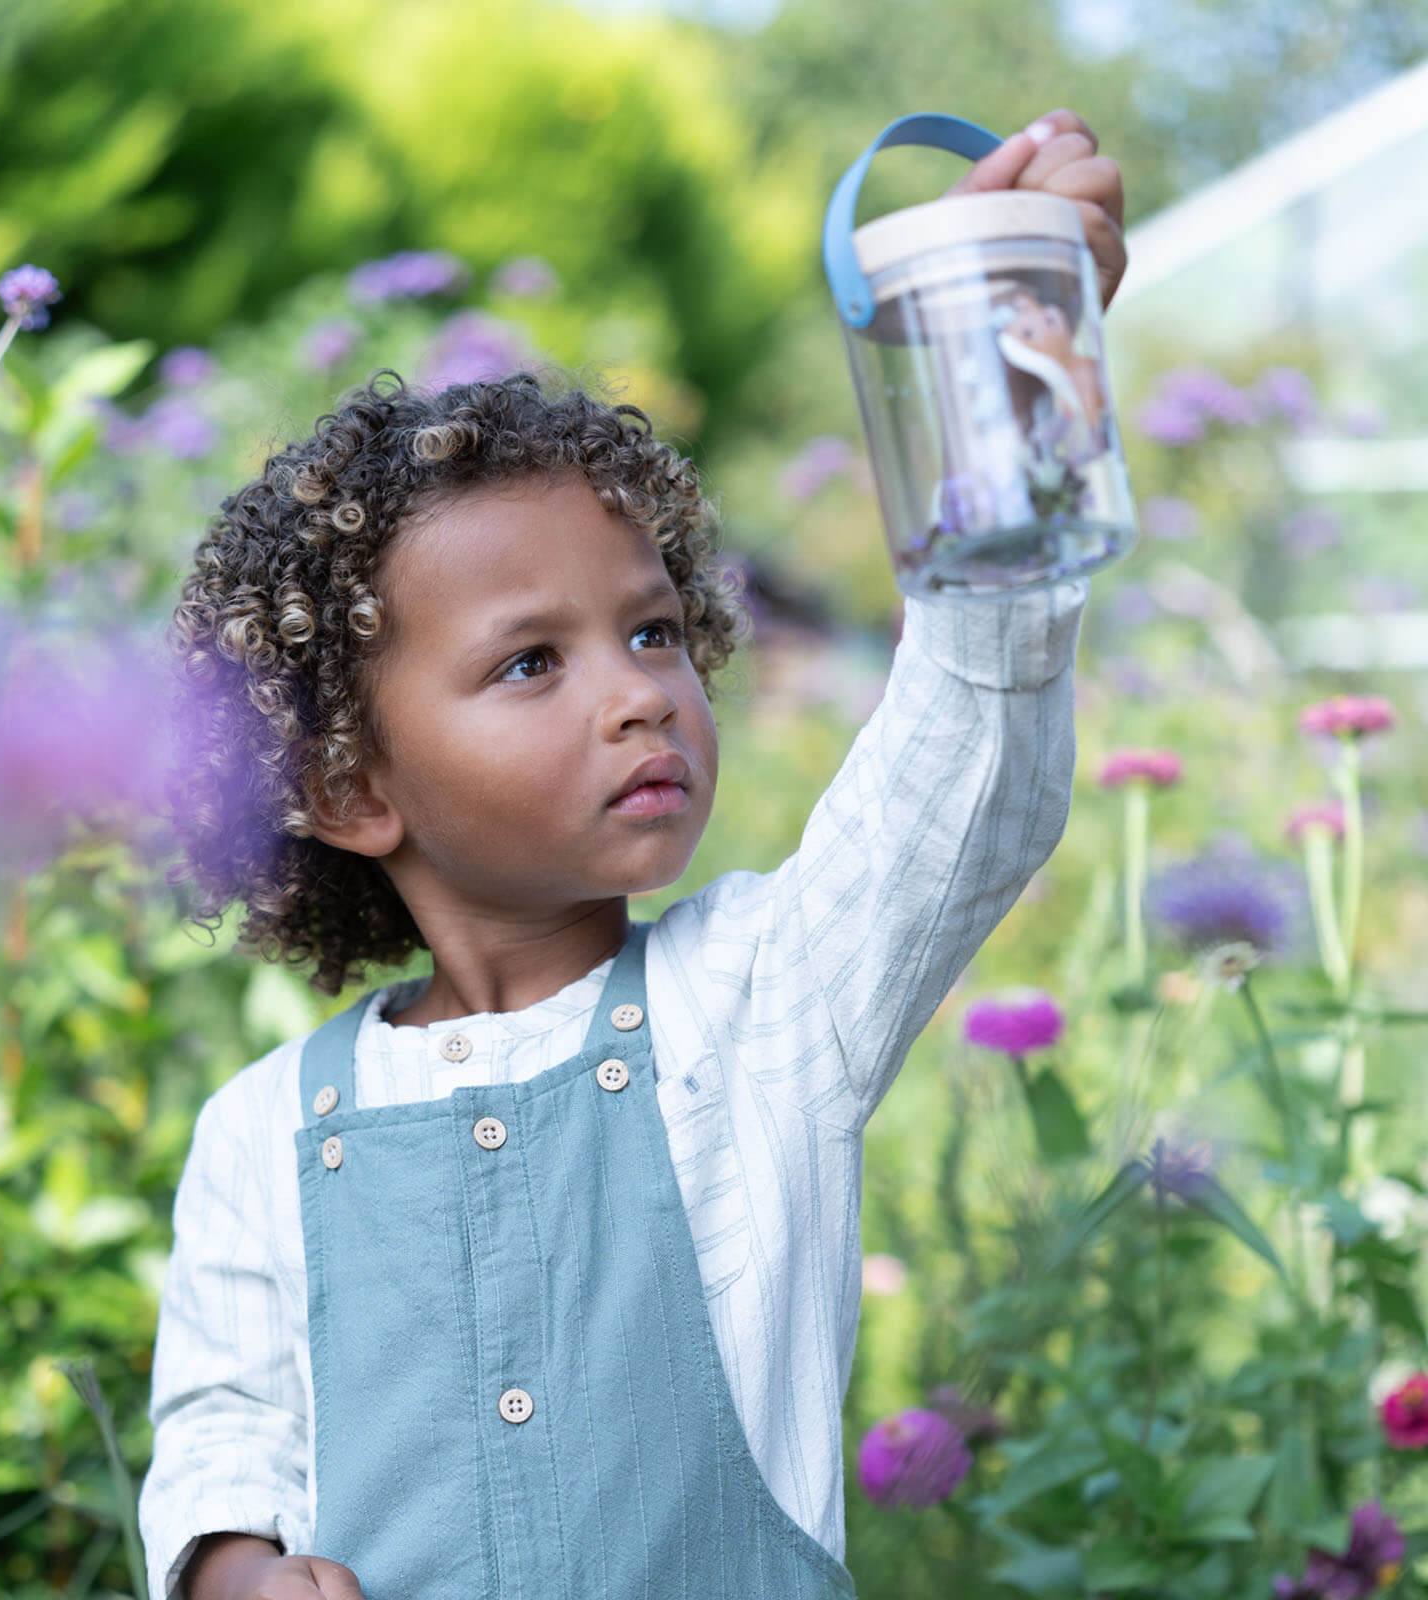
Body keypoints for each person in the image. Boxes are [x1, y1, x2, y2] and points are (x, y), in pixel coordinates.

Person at [138, 107, 1126, 1600]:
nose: (641, 690)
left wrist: (1012, 382)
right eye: (532, 663)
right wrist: (227, 1568)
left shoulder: (767, 1004)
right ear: (347, 788)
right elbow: (225, 1425)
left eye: (654, 629)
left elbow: (967, 752)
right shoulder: (260, 1131)